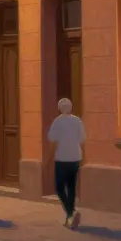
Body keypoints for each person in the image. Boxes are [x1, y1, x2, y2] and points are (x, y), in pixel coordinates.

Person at [48, 97, 86, 229]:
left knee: (59, 188)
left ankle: (71, 212)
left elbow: (52, 139)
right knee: (71, 188)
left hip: (61, 159)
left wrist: (49, 159)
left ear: (59, 108)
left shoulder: (57, 121)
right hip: (75, 158)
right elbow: (82, 139)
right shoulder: (77, 121)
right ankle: (70, 218)